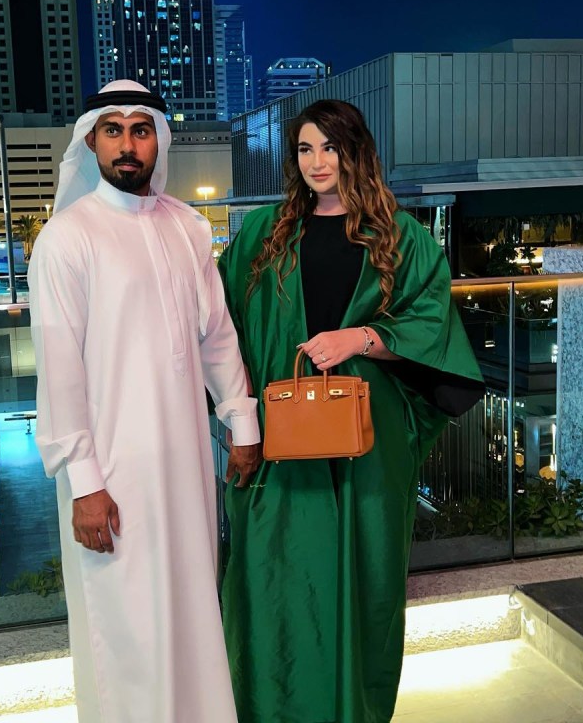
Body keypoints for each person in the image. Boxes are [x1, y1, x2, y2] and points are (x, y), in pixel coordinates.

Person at [218, 99, 483, 723]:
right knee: (272, 574)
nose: (316, 163)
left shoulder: (401, 237)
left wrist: (359, 338)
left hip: (369, 439)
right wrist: (238, 421)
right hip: (281, 440)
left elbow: (430, 324)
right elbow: (217, 327)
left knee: (365, 579)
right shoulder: (262, 235)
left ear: (356, 151)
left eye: (330, 148)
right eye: (305, 150)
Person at [29, 79, 262, 723]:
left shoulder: (187, 227)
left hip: (185, 466)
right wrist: (83, 483)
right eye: (113, 131)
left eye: (141, 129)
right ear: (92, 143)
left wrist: (241, 421)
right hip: (112, 473)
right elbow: (59, 371)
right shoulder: (67, 239)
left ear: (158, 139)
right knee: (124, 626)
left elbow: (216, 334)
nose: (128, 145)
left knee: (190, 610)